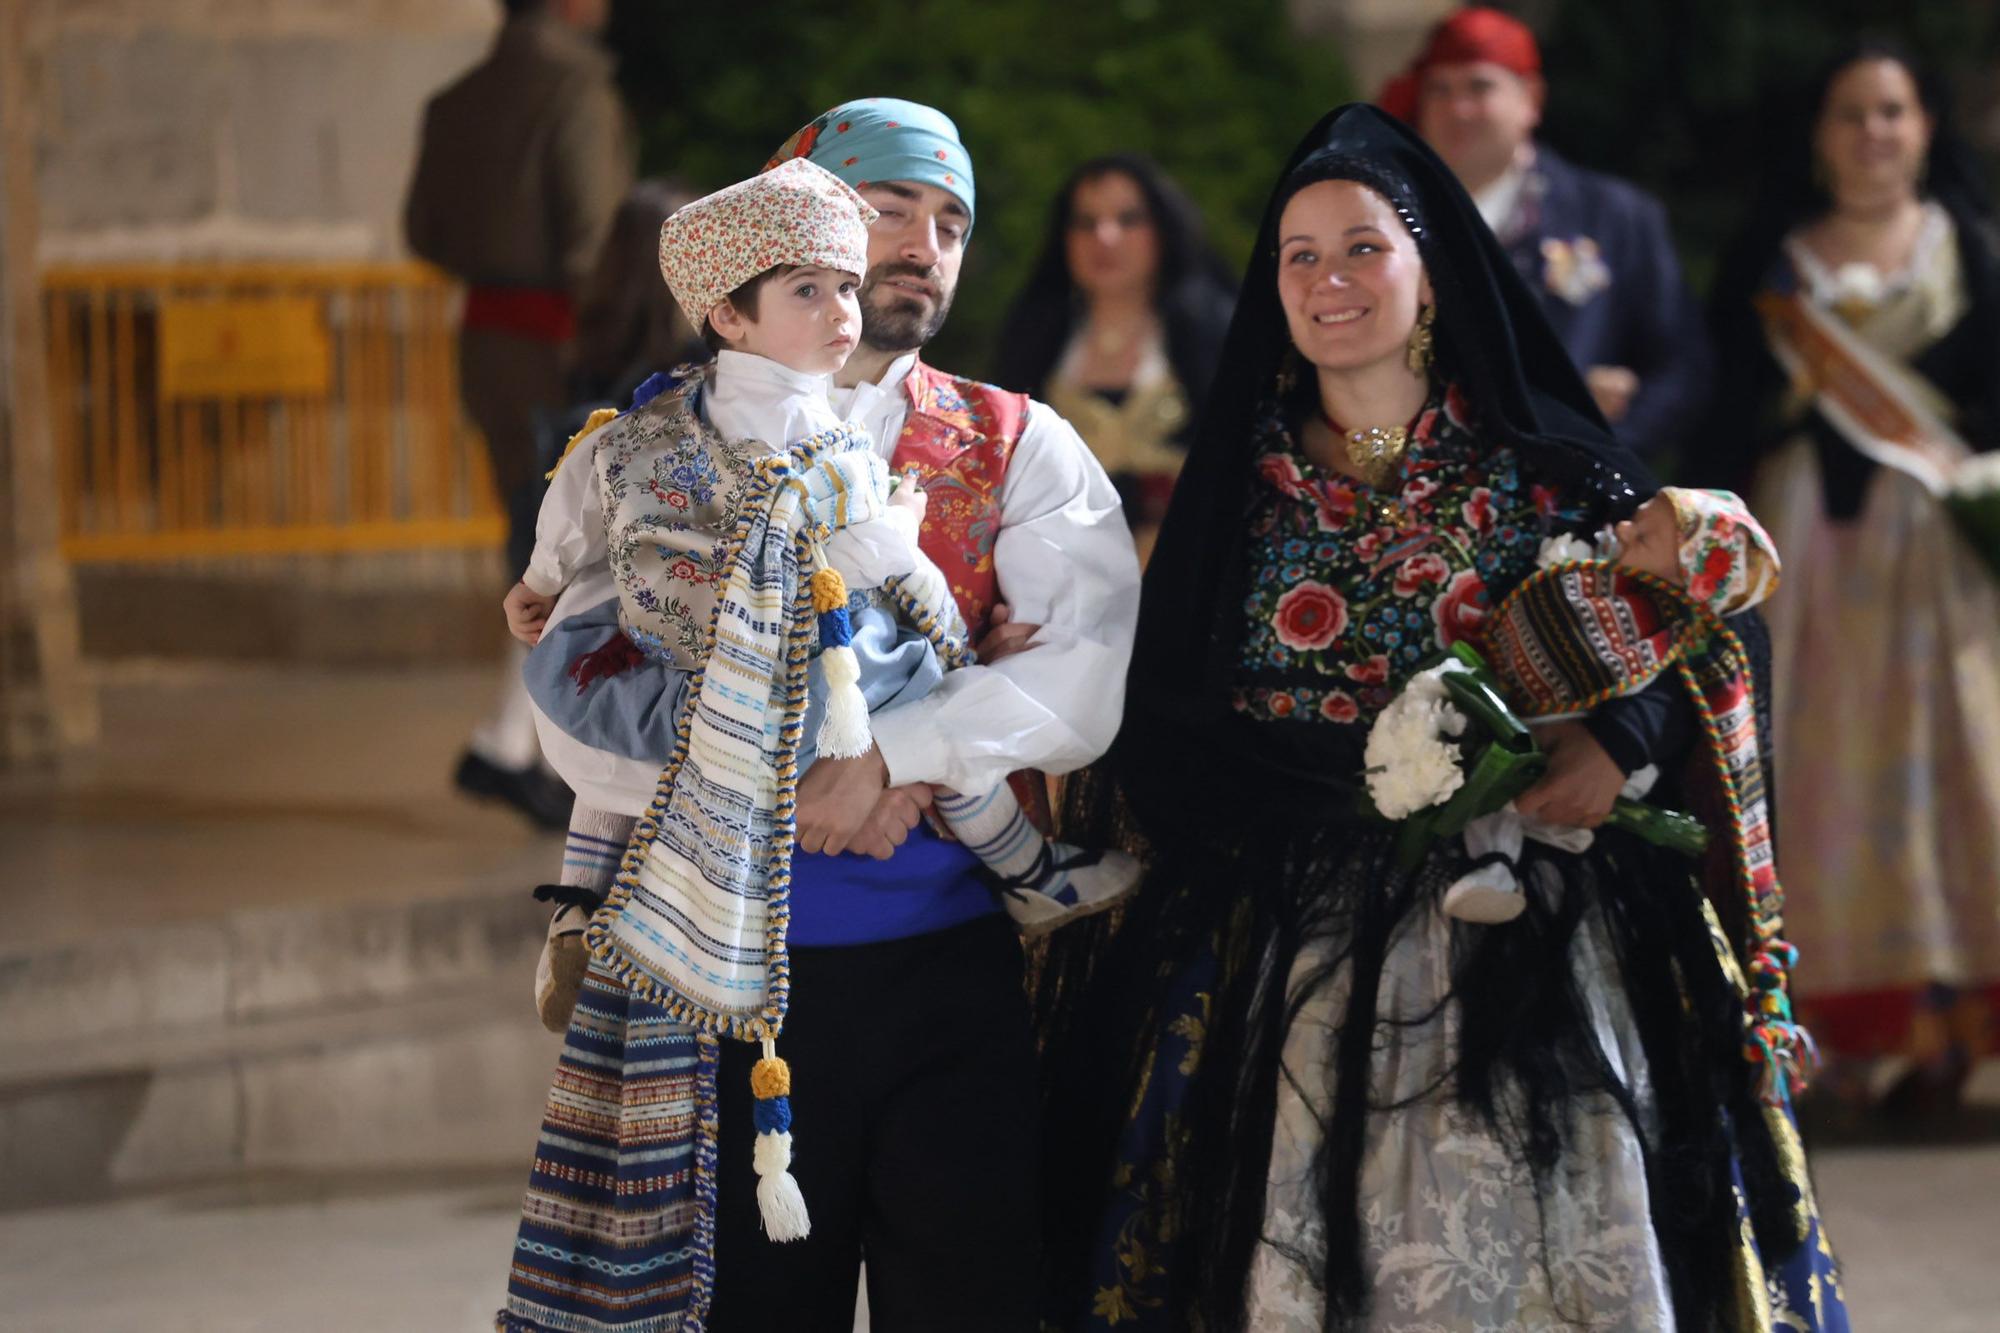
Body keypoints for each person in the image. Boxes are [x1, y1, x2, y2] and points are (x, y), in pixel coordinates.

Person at [1033, 104, 1847, 1332]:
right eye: (1296, 256)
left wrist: (1614, 741)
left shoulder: (1548, 465)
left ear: (1431, 265)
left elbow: (1714, 619)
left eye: (1361, 246)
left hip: (1554, 938)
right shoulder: (1234, 498)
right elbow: (1166, 727)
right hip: (1288, 946)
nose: (1327, 280)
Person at [497, 99, 1139, 1333]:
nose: (920, 243)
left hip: (946, 972)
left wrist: (897, 749)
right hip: (710, 986)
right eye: (887, 206)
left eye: (950, 219)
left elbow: (1082, 685)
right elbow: (575, 716)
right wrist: (804, 762)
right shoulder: (657, 448)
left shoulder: (1019, 447)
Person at [504, 158, 1137, 1029]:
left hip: (713, 725)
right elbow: (889, 563)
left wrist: (534, 583)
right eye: (884, 214)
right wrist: (950, 650)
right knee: (910, 668)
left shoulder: (647, 423)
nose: (850, 303)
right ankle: (1031, 870)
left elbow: (571, 499)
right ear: (731, 308)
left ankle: (579, 907)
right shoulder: (825, 437)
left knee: (617, 689)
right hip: (772, 739)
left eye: (952, 225)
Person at [1701, 37, 2000, 1119]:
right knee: (1813, 762)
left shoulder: (1967, 248)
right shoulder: (1769, 262)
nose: (1872, 132)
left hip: (1934, 556)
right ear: (1818, 136)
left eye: (1891, 111)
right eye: (1849, 113)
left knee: (1950, 758)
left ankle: (1946, 1026)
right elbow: (1722, 399)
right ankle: (1817, 1027)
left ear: (1923, 128)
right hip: (1804, 550)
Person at [404, 0, 632, 827]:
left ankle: (508, 743)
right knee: (572, 540)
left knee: (540, 532)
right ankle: (516, 744)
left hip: (486, 341)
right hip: (561, 345)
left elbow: (423, 231)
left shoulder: (457, 99)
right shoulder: (573, 94)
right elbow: (593, 242)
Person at [1378, 6, 1710, 463]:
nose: (1458, 108)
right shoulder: (1385, 217)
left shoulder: (1615, 217)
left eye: (1479, 86)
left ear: (1530, 98)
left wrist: (1602, 454)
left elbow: (1680, 368)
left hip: (1577, 500)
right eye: (1440, 89)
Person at [1445, 487, 1783, 924]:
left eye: (1642, 538)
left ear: (1682, 583)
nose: (1622, 527)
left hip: (1569, 762)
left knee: (1511, 792)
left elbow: (1682, 685)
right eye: (1634, 518)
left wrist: (1616, 743)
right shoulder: (1596, 567)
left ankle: (1496, 866)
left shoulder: (1659, 638)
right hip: (1518, 706)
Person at [992, 155, 1237, 558]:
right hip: (1062, 576)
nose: (1105, 236)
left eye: (1128, 219)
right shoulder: (1035, 338)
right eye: (1085, 223)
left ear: (1163, 228)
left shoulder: (1211, 331)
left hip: (1188, 567)